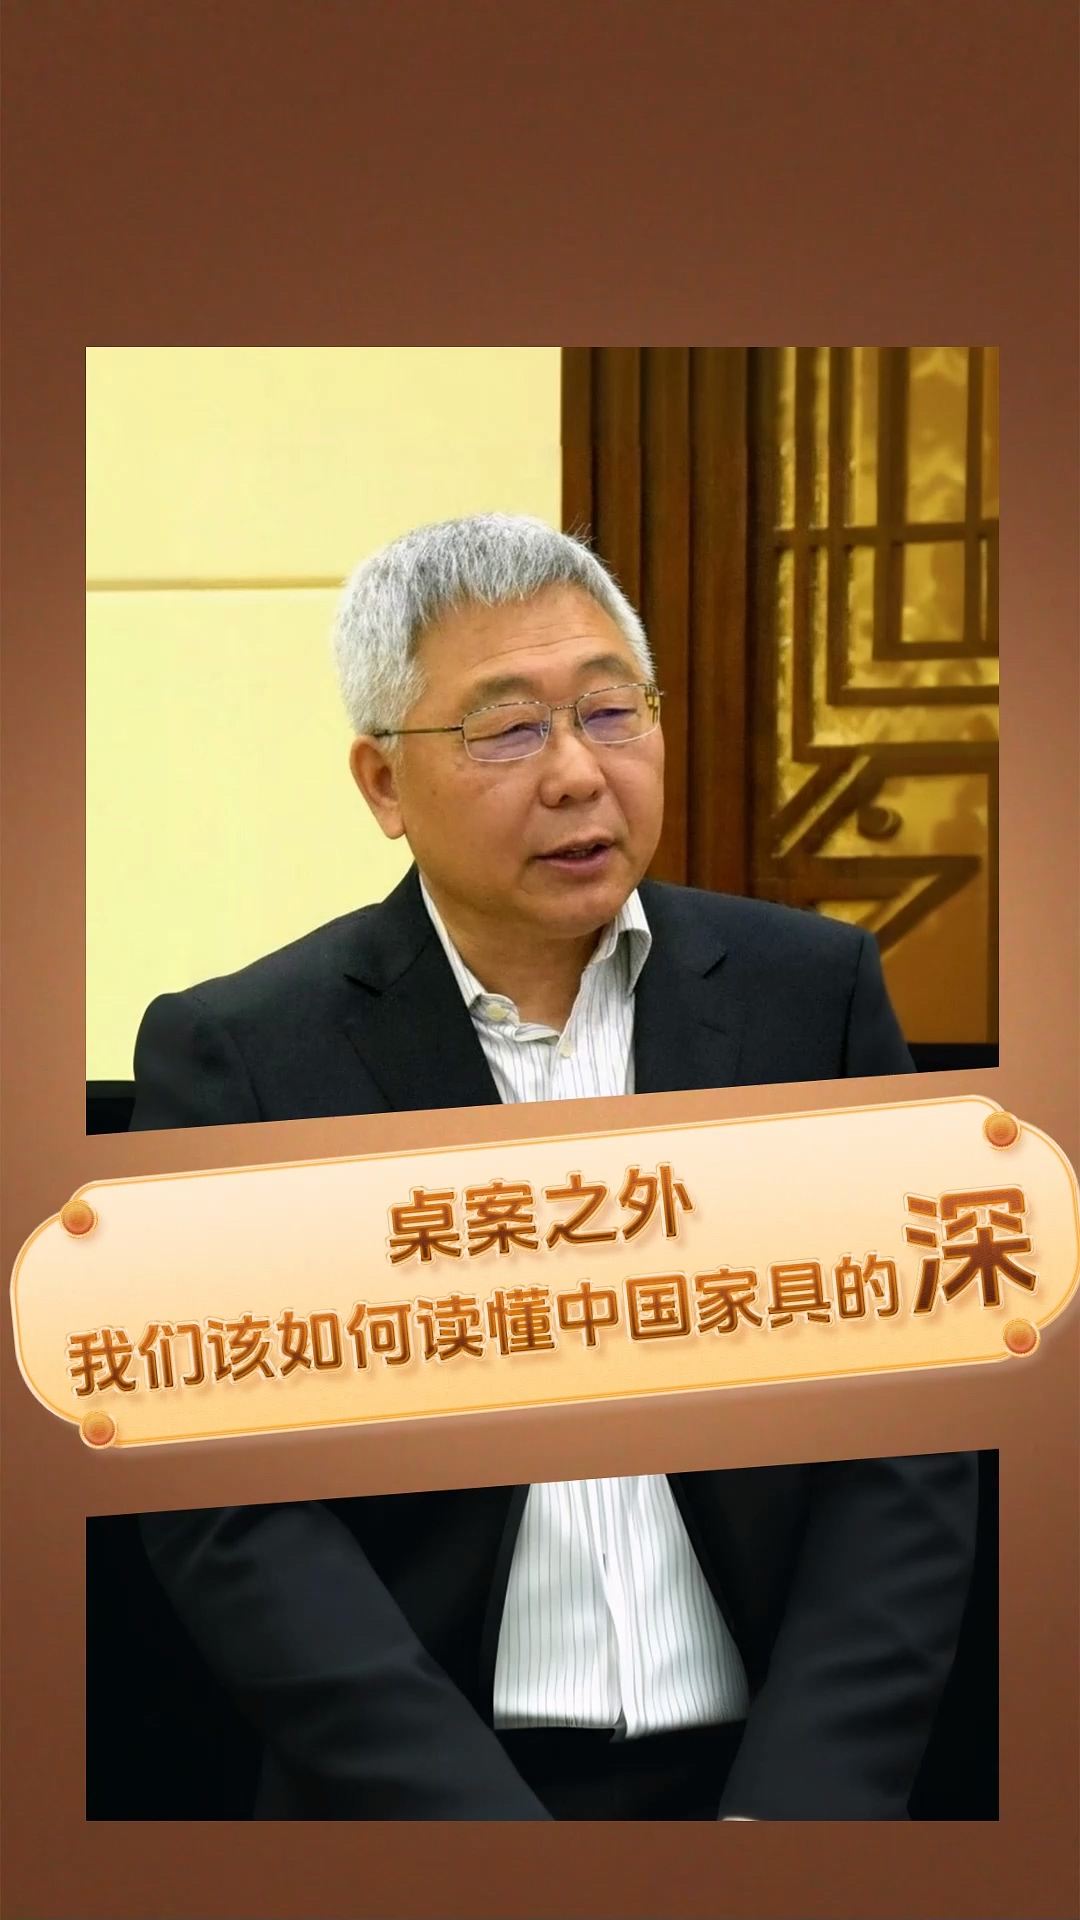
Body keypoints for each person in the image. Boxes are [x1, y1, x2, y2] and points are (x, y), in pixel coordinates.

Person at [131, 514, 977, 1820]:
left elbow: (910, 1434)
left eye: (611, 711)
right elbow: (229, 1507)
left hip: (768, 1792)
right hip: (421, 1814)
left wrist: (799, 1816)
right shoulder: (244, 1055)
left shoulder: (811, 997)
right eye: (508, 729)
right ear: (383, 784)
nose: (580, 773)